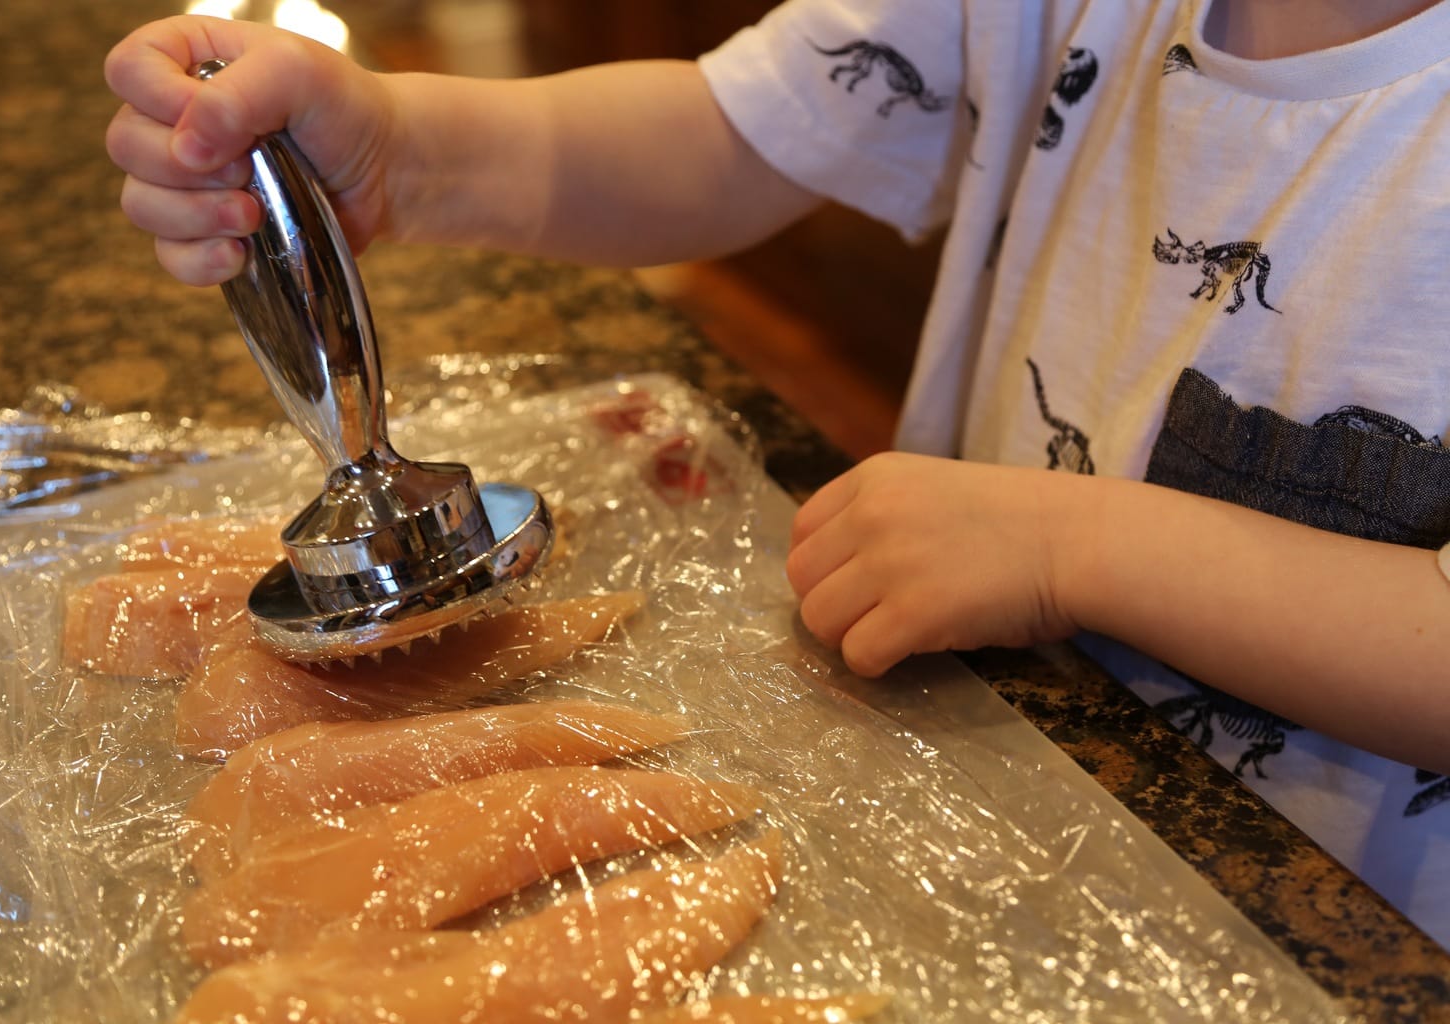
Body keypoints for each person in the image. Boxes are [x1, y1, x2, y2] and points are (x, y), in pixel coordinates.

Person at [105, 0, 1450, 946]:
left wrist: (1069, 552)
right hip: (1010, 764)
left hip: (1349, 923)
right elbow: (738, 131)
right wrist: (406, 154)